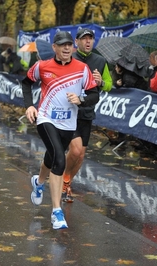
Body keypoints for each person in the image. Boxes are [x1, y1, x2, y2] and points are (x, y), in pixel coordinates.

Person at [21, 31, 99, 230]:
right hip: (46, 118)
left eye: (69, 45)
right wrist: (30, 105)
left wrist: (81, 100)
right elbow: (26, 83)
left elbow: (94, 95)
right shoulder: (42, 66)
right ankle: (56, 212)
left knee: (52, 155)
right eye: (61, 45)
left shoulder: (82, 69)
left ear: (73, 47)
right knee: (59, 158)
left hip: (69, 123)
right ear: (54, 47)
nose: (66, 48)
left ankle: (38, 182)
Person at [62, 28, 113, 203]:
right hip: (70, 111)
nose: (88, 41)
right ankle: (64, 178)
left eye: (90, 38)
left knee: (81, 155)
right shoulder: (70, 58)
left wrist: (102, 82)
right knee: (75, 150)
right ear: (77, 42)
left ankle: (67, 181)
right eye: (84, 39)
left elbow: (109, 85)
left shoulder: (100, 60)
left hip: (87, 110)